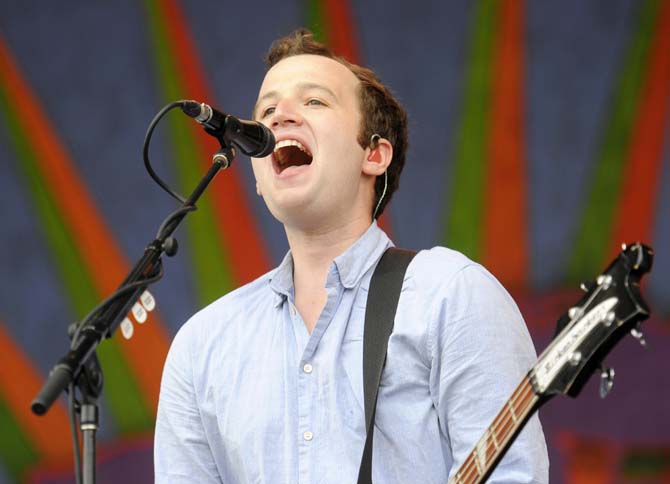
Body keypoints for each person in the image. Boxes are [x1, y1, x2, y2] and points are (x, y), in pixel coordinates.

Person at [154, 29, 548, 483]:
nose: (280, 117)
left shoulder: (450, 295)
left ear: (375, 155)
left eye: (315, 102)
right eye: (266, 110)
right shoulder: (202, 345)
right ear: (258, 178)